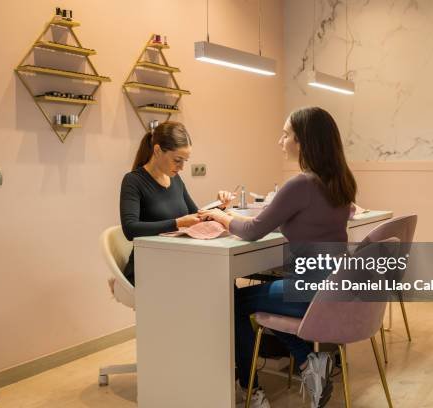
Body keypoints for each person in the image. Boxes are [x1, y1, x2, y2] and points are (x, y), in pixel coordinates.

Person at [199, 107, 357, 408]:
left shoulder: (301, 184)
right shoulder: (340, 181)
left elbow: (253, 231)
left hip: (308, 293)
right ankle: (308, 361)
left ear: (303, 142)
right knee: (260, 298)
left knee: (232, 300)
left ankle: (251, 385)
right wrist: (232, 215)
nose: (279, 141)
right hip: (335, 287)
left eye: (286, 135)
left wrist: (220, 216)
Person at [120, 121, 233, 285]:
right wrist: (177, 223)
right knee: (213, 281)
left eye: (185, 161)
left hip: (175, 260)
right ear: (157, 150)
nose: (181, 167)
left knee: (222, 278)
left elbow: (196, 216)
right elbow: (130, 229)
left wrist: (218, 207)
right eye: (177, 160)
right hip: (147, 267)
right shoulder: (133, 181)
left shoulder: (175, 179)